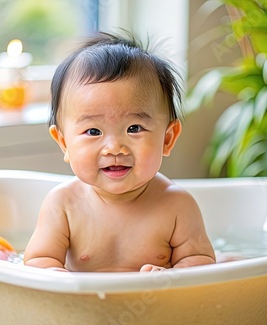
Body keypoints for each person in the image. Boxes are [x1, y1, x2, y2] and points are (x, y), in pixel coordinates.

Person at [24, 32, 215, 272]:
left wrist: (171, 277)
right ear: (63, 143)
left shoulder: (177, 206)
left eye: (134, 128)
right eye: (93, 131)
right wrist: (60, 278)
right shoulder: (63, 204)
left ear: (167, 138)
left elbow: (201, 266)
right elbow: (38, 262)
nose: (114, 147)